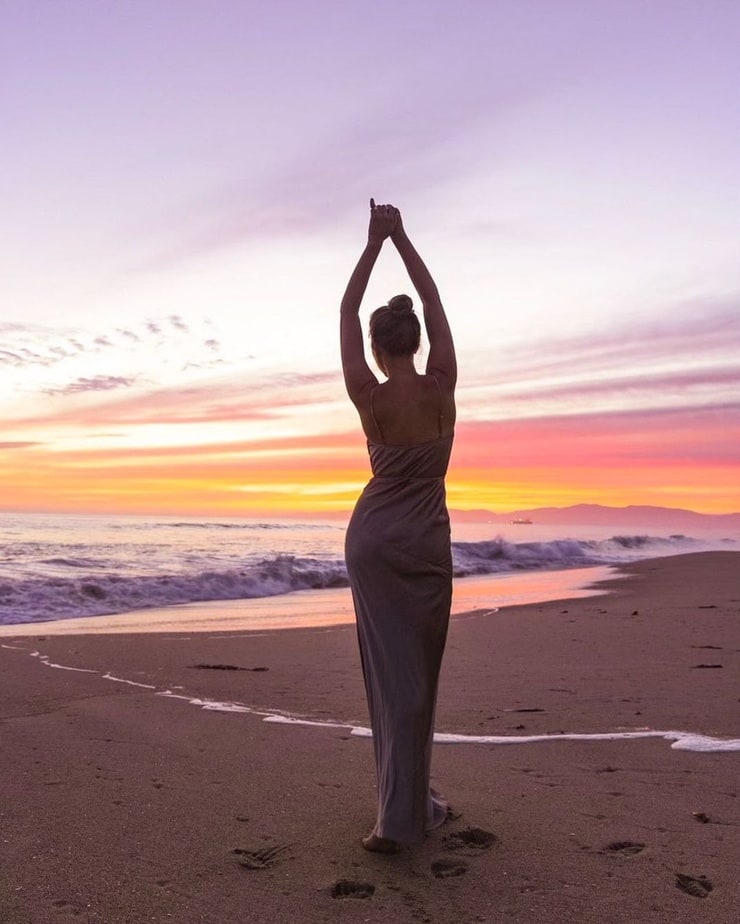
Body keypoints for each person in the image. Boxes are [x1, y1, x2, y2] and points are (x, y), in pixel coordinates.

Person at [340, 200, 457, 853]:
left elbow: (345, 313)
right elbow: (434, 299)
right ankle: (403, 814)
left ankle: (403, 809)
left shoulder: (370, 396)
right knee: (418, 676)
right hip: (424, 540)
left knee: (389, 676)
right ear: (415, 341)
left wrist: (373, 244)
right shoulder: (442, 385)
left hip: (373, 538)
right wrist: (403, 238)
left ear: (379, 349)